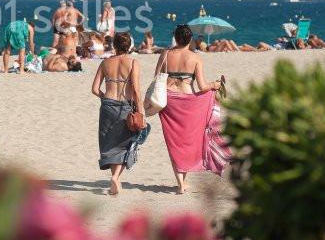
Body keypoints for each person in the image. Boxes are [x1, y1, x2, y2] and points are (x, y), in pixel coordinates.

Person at [154, 24, 225, 194]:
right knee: (187, 141)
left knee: (173, 142)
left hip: (168, 101)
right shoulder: (195, 58)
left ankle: (180, 183)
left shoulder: (165, 54)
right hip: (187, 101)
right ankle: (182, 182)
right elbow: (202, 86)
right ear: (190, 39)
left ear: (176, 38)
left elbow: (157, 77)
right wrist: (215, 85)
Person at [91, 32, 146, 196]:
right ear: (129, 46)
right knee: (125, 142)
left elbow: (94, 89)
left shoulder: (105, 63)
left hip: (108, 104)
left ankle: (114, 177)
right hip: (125, 105)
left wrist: (105, 99)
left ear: (114, 46)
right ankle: (115, 177)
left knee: (110, 142)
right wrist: (140, 110)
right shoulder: (133, 62)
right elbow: (135, 89)